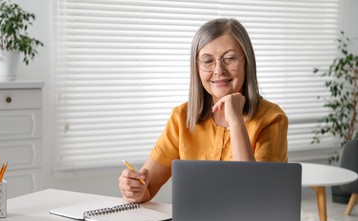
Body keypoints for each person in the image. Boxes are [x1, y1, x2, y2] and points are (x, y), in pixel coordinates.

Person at [119, 18, 288, 203]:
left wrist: (236, 120)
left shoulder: (272, 118)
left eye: (229, 58)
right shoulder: (181, 117)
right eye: (207, 61)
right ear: (197, 68)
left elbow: (255, 198)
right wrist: (135, 190)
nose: (218, 70)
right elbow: (148, 187)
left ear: (246, 61)